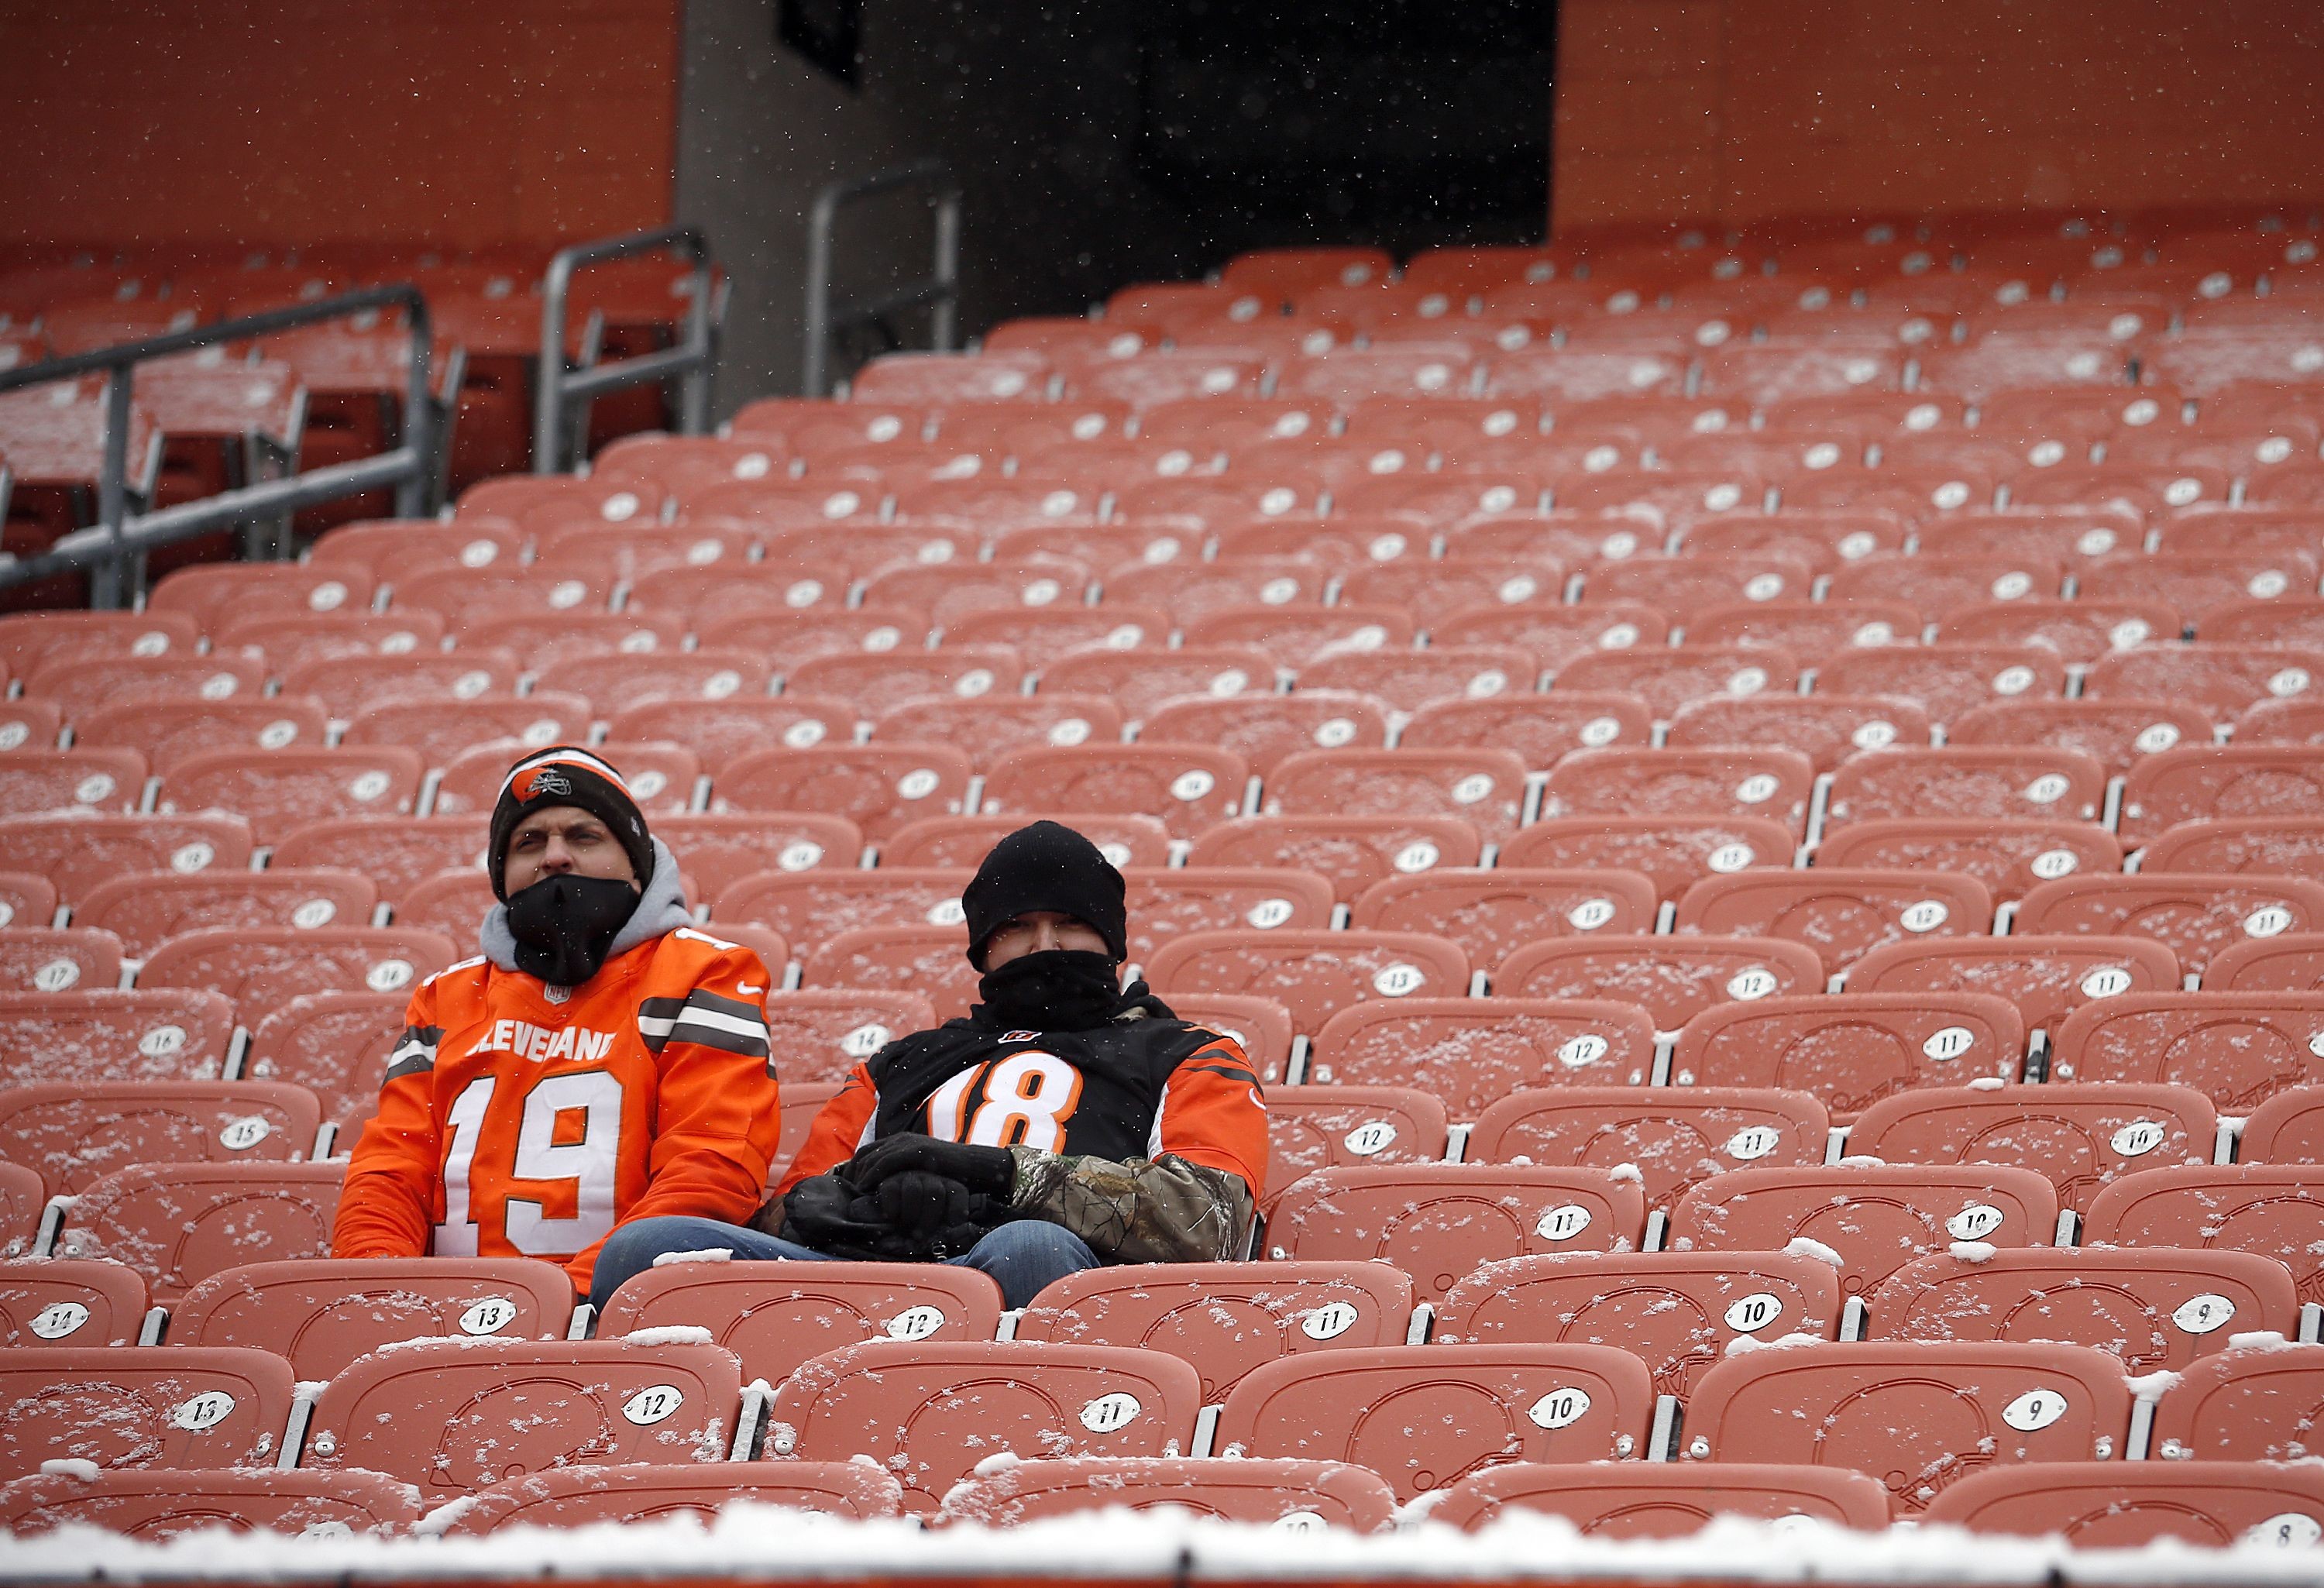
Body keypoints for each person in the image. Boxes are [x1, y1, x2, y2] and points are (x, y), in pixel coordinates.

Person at [591, 820, 1269, 1310]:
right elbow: (789, 1211)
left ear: (1111, 941)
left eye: (1068, 925)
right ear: (983, 949)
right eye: (1017, 930)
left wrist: (1002, 1179)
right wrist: (873, 1205)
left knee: (1028, 1247)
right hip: (871, 1273)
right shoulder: (899, 1065)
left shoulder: (1185, 1051)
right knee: (647, 1250)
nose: (1044, 946)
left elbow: (1214, 1221)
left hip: (1049, 1273)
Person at [332, 746, 782, 1301]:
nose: (556, 857)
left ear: (637, 864)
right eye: (529, 842)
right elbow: (391, 1172)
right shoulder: (443, 998)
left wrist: (557, 1304)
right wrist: (381, 1295)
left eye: (584, 836)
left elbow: (711, 1166)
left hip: (616, 1311)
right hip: (439, 1317)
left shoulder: (705, 971)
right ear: (502, 875)